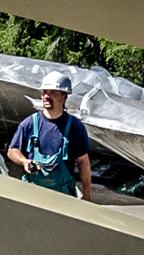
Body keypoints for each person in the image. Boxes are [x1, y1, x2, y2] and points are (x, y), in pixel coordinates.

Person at [6, 72, 95, 202]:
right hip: (32, 193)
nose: (47, 97)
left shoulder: (75, 126)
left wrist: (86, 196)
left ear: (64, 97)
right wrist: (24, 162)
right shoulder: (30, 123)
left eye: (53, 93)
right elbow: (12, 151)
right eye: (45, 93)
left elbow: (83, 161)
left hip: (63, 196)